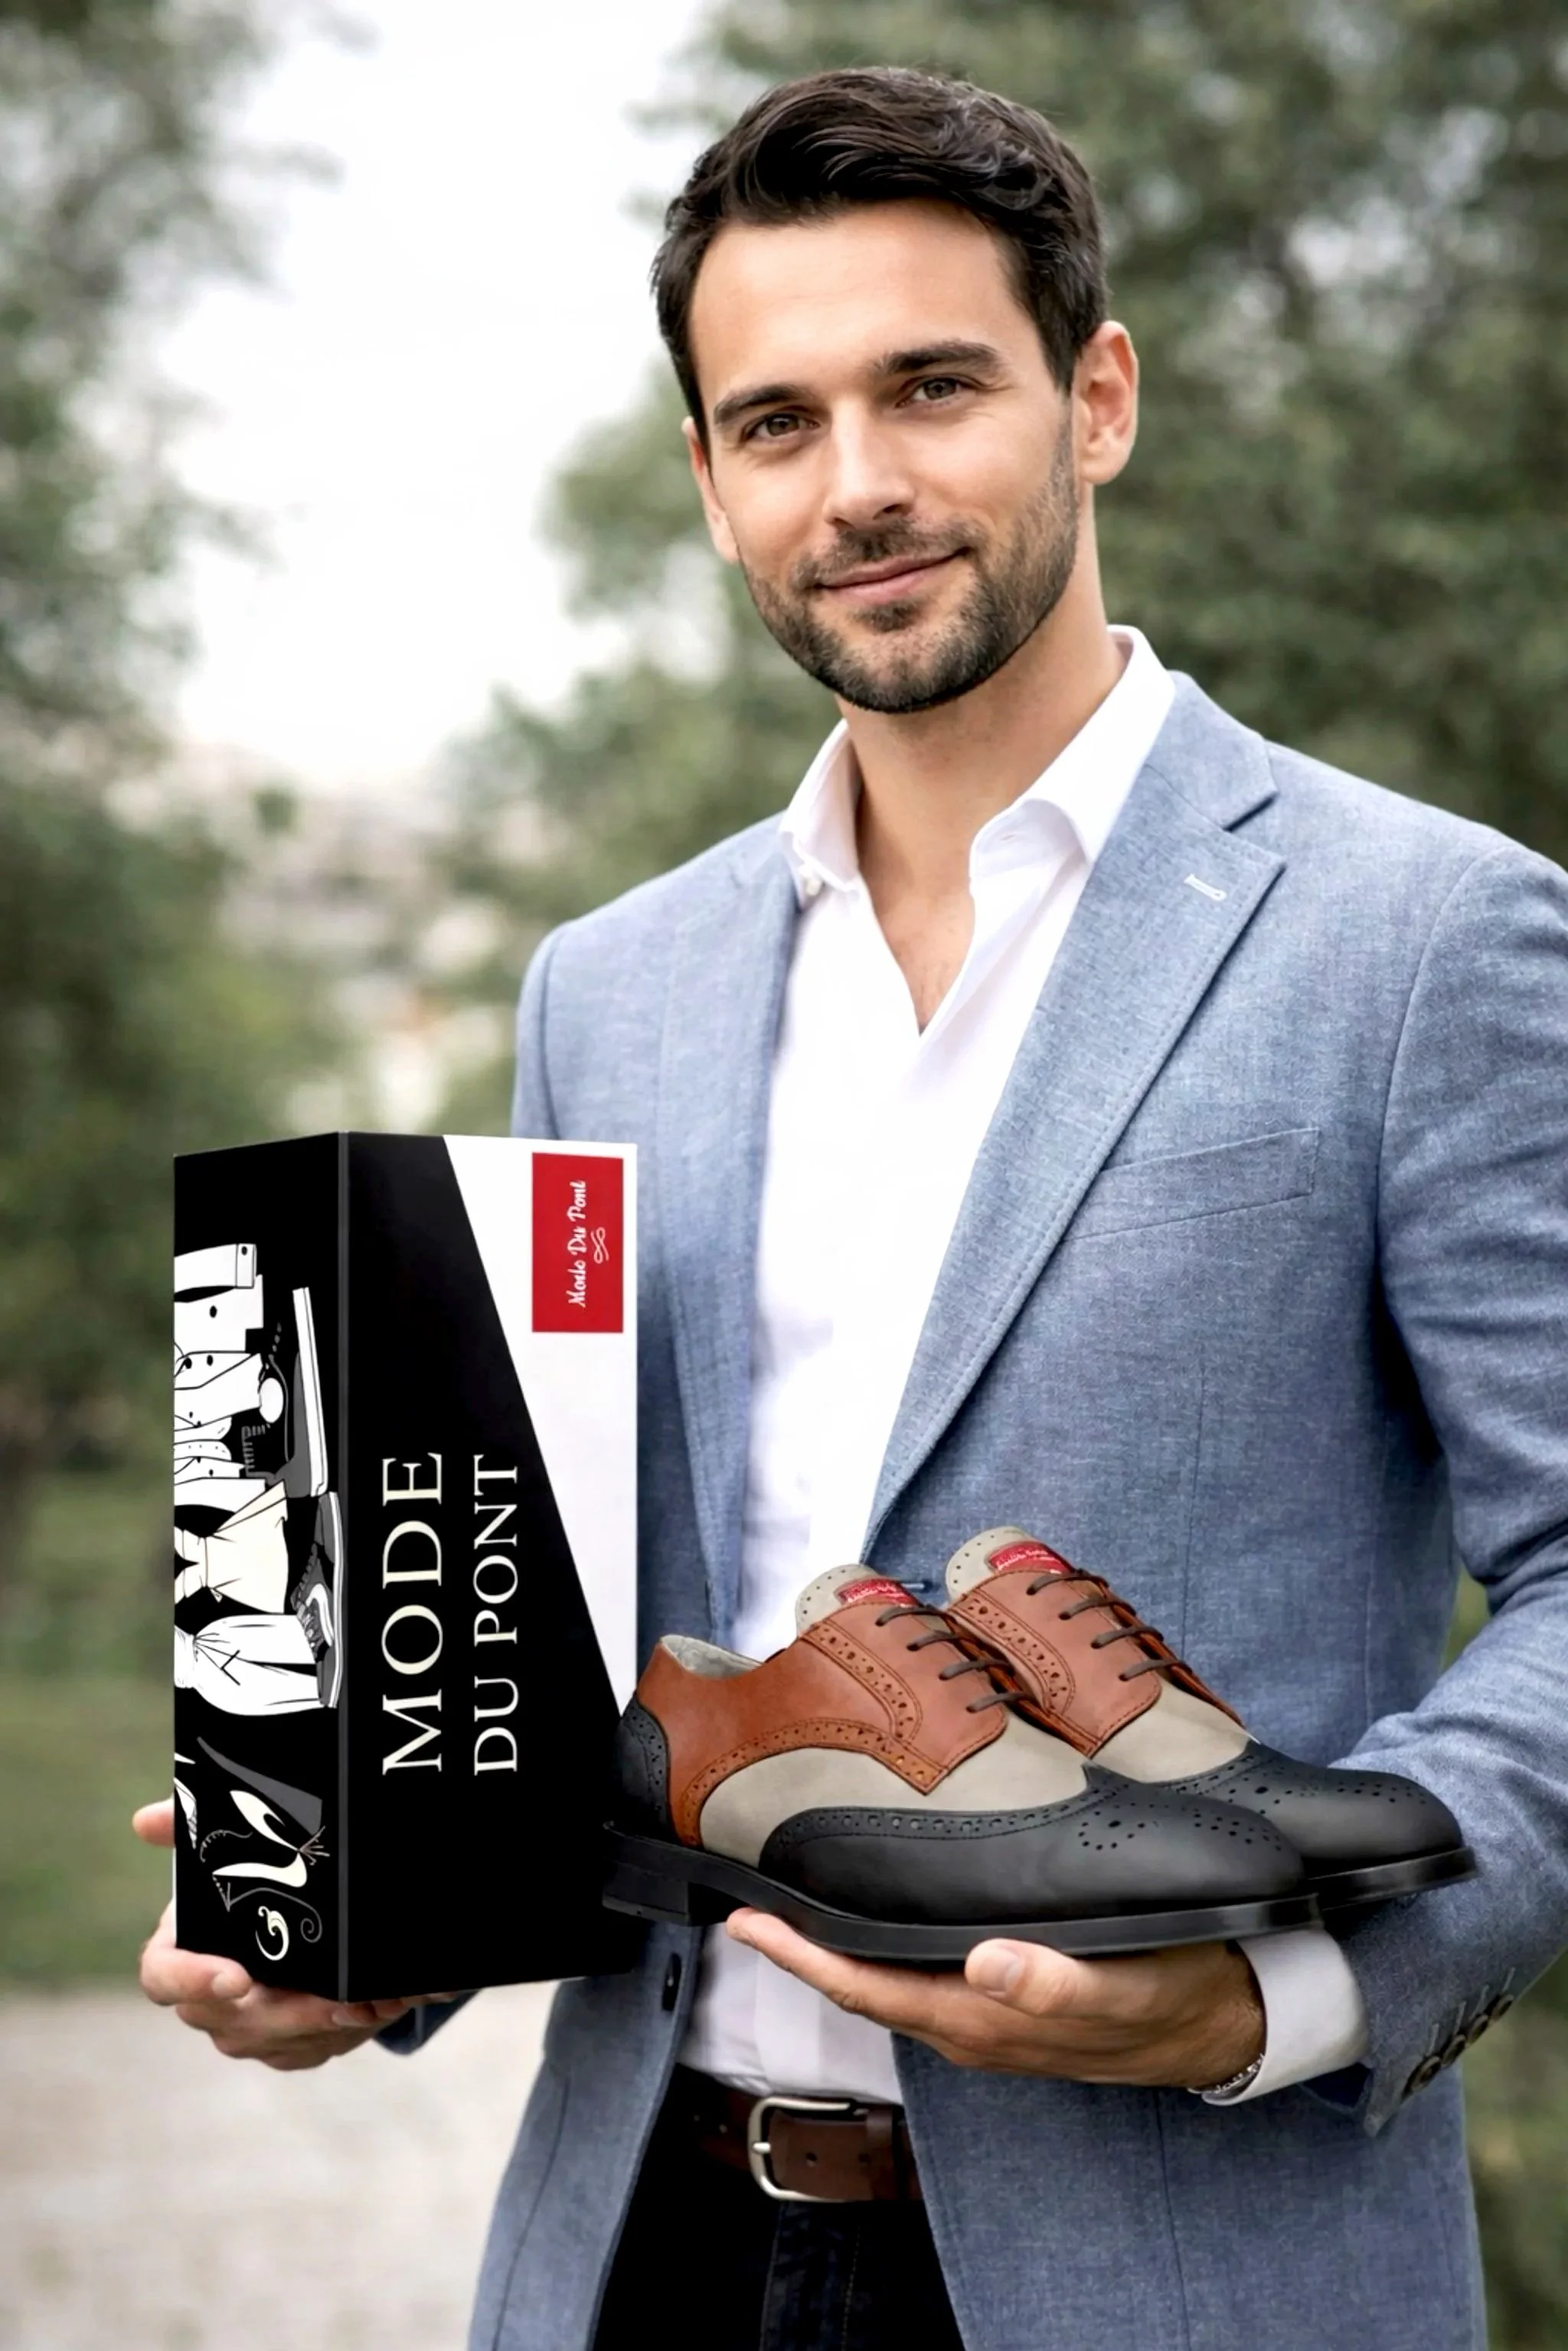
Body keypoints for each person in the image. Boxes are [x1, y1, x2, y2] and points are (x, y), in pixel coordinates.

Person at [136, 65, 1568, 2351]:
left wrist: (1276, 1992)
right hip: (643, 2244)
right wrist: (363, 1930)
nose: (862, 484)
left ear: (1096, 398)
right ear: (710, 483)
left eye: (933, 387)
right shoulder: (606, 986)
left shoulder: (1424, 937)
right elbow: (580, 1650)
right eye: (777, 421)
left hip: (1197, 2256)